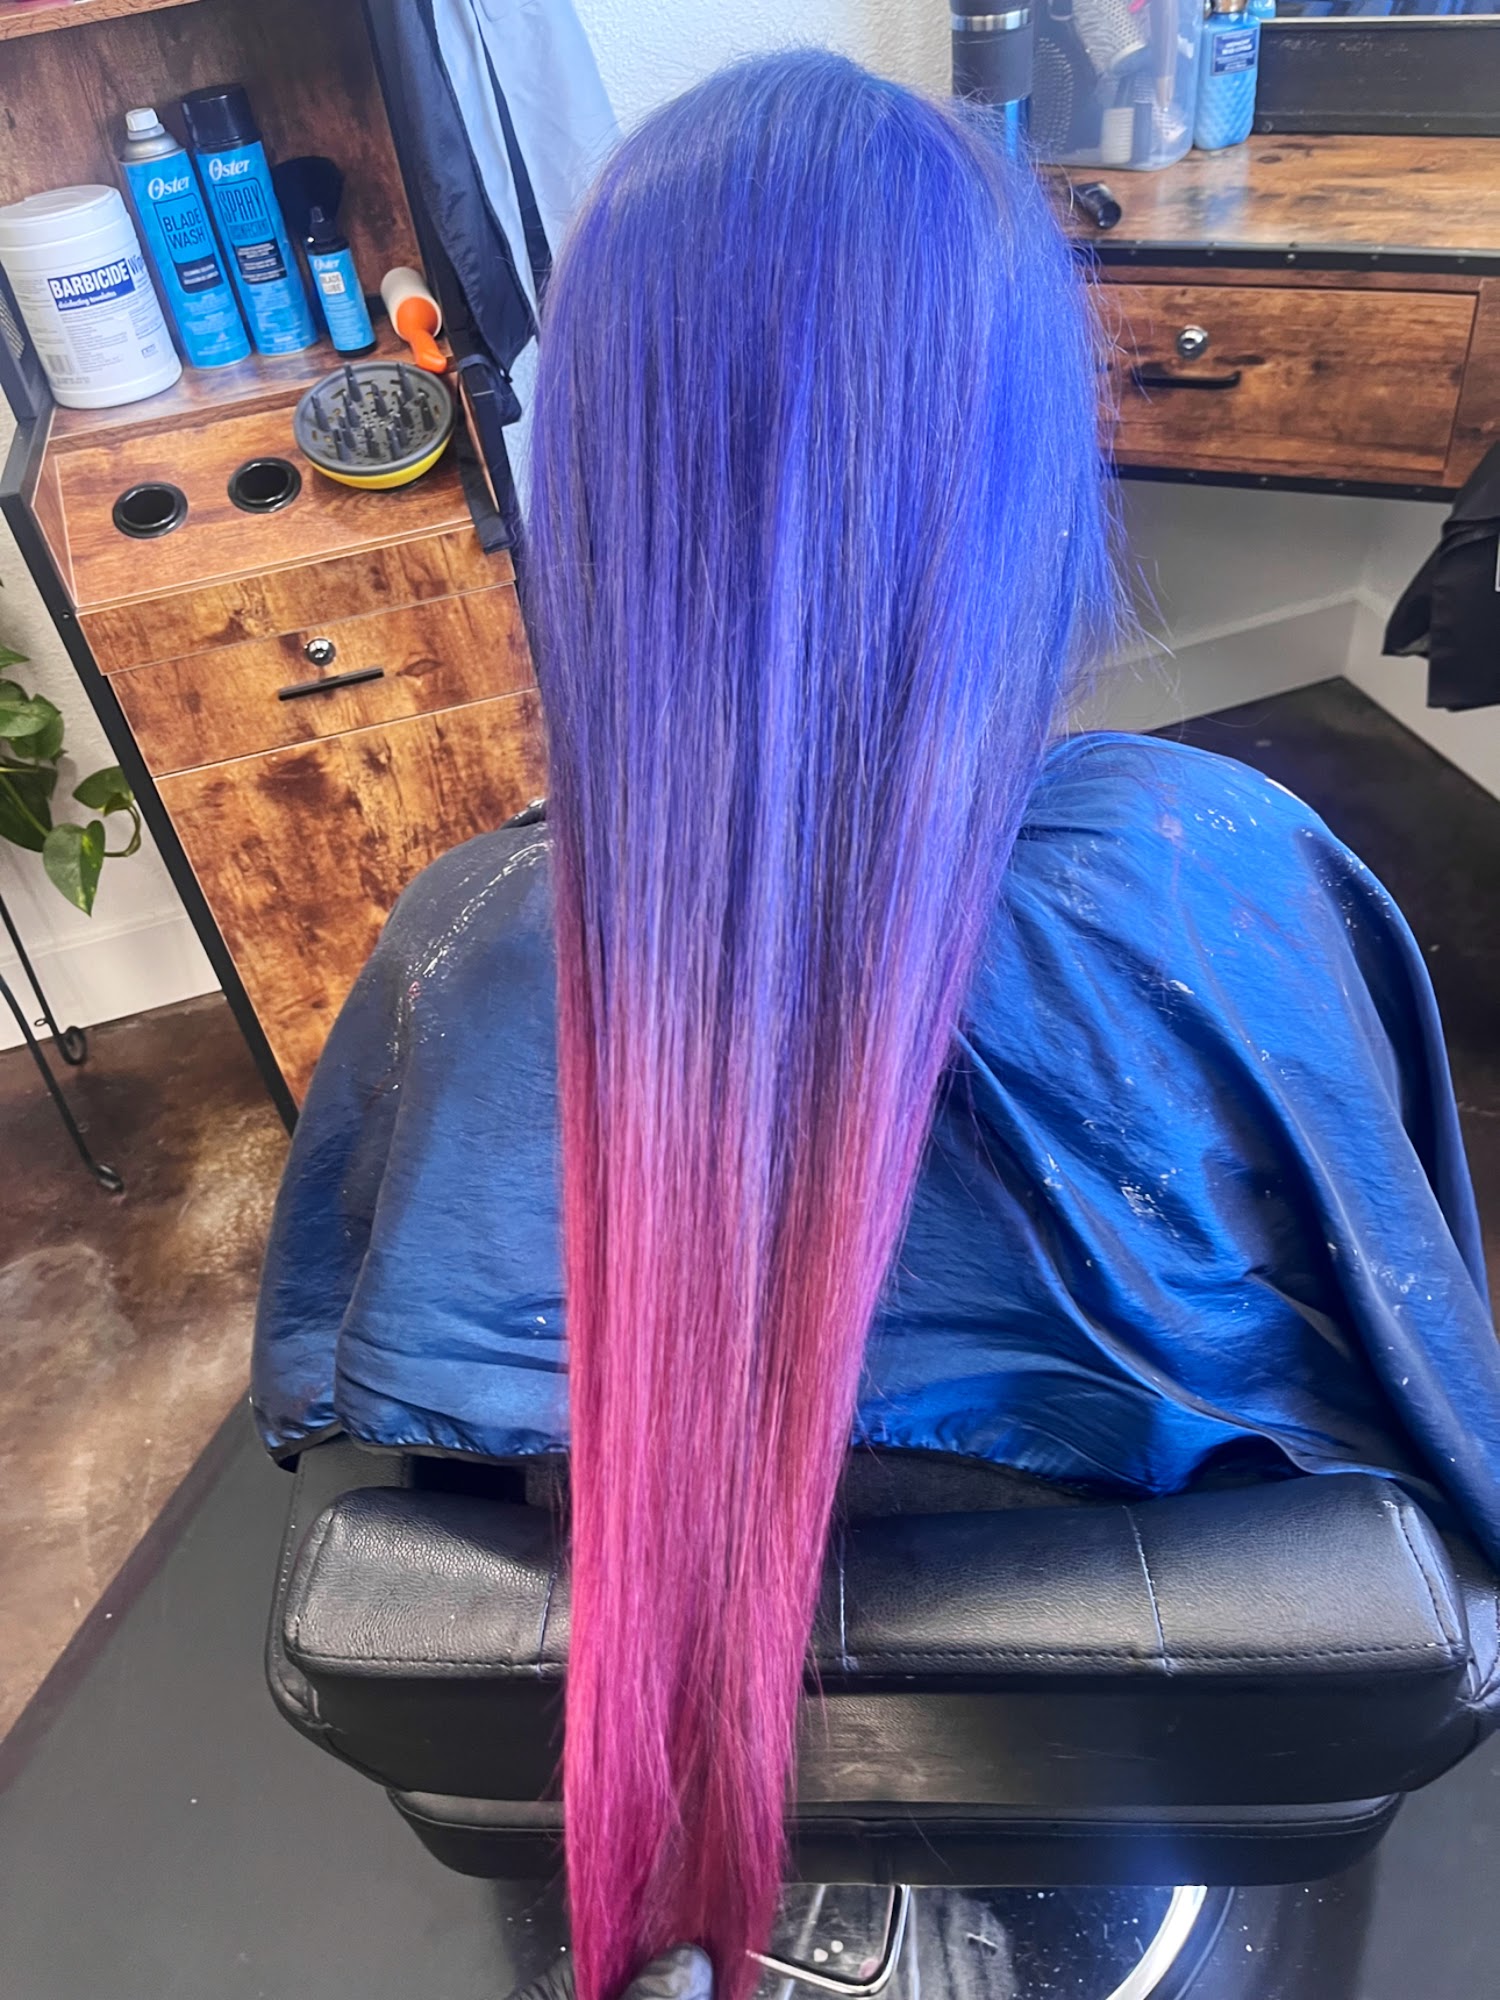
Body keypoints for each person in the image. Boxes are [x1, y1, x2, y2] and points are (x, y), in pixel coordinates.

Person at [253, 50, 1498, 2000]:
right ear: (1021, 468)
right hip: (1135, 1782)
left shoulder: (460, 945)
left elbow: (384, 1433)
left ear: (603, 488)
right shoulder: (1221, 874)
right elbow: (1411, 1383)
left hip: (670, 1829)